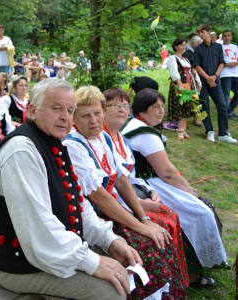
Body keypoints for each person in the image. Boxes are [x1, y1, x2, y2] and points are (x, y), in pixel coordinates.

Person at [0, 78, 143, 300]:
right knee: (110, 293)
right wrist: (92, 262)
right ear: (33, 110)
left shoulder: (52, 141)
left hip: (50, 249)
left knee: (123, 258)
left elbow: (76, 203)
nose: (65, 117)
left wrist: (108, 240)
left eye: (70, 110)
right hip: (20, 263)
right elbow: (38, 228)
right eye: (56, 108)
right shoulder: (21, 152)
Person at [63, 86, 187, 298]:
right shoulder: (73, 145)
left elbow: (121, 179)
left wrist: (144, 217)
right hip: (92, 216)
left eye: (97, 113)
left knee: (166, 219)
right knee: (146, 241)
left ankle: (177, 286)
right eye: (85, 115)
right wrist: (141, 226)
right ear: (74, 118)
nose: (93, 120)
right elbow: (98, 197)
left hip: (112, 208)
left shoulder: (103, 138)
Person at [122, 88, 228, 288]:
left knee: (201, 209)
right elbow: (166, 173)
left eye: (162, 106)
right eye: (155, 107)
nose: (161, 111)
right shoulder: (145, 134)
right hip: (148, 184)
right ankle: (193, 272)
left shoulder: (132, 125)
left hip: (142, 182)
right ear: (142, 112)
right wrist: (189, 190)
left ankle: (205, 260)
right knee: (200, 212)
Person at [102, 87, 188, 285]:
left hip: (132, 197)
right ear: (103, 110)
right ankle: (154, 285)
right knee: (161, 226)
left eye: (125, 105)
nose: (122, 109)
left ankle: (177, 279)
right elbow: (107, 186)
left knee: (171, 216)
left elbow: (129, 176)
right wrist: (138, 205)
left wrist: (150, 191)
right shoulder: (102, 139)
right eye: (115, 105)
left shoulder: (122, 140)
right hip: (114, 206)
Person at [193, 24, 237, 143]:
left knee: (222, 105)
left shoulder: (218, 47)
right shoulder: (198, 49)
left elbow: (221, 62)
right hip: (203, 82)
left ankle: (223, 133)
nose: (201, 35)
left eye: (202, 32)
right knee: (205, 106)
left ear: (208, 32)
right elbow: (196, 66)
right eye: (199, 33)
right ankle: (210, 131)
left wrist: (215, 76)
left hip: (215, 80)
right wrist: (208, 78)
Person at [167, 38, 202, 140]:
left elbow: (189, 71)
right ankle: (180, 132)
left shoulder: (185, 59)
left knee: (187, 107)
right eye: (181, 45)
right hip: (180, 86)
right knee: (182, 108)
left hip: (188, 85)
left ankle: (183, 130)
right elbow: (174, 72)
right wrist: (180, 85)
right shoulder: (172, 58)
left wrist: (194, 75)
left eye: (184, 45)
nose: (183, 47)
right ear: (176, 46)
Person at [220, 29, 238, 120]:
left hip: (235, 73)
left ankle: (229, 109)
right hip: (225, 74)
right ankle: (227, 113)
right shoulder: (219, 48)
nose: (226, 37)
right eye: (225, 36)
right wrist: (227, 64)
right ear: (222, 37)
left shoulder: (235, 47)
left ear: (231, 36)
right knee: (226, 94)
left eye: (228, 35)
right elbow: (217, 62)